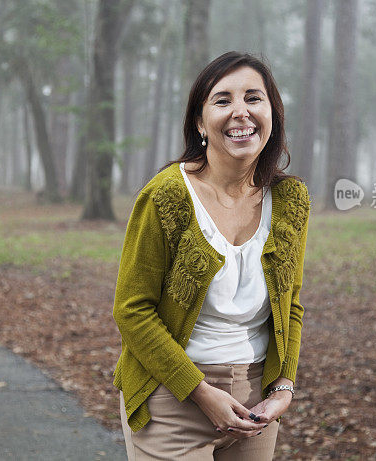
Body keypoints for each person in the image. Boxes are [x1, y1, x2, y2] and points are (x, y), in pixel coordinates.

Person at [112, 51, 311, 460]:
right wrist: (201, 392)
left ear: (272, 113)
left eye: (253, 98)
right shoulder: (166, 196)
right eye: (223, 101)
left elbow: (290, 304)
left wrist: (283, 386)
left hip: (256, 405)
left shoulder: (291, 200)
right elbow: (132, 310)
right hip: (171, 397)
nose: (241, 112)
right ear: (200, 123)